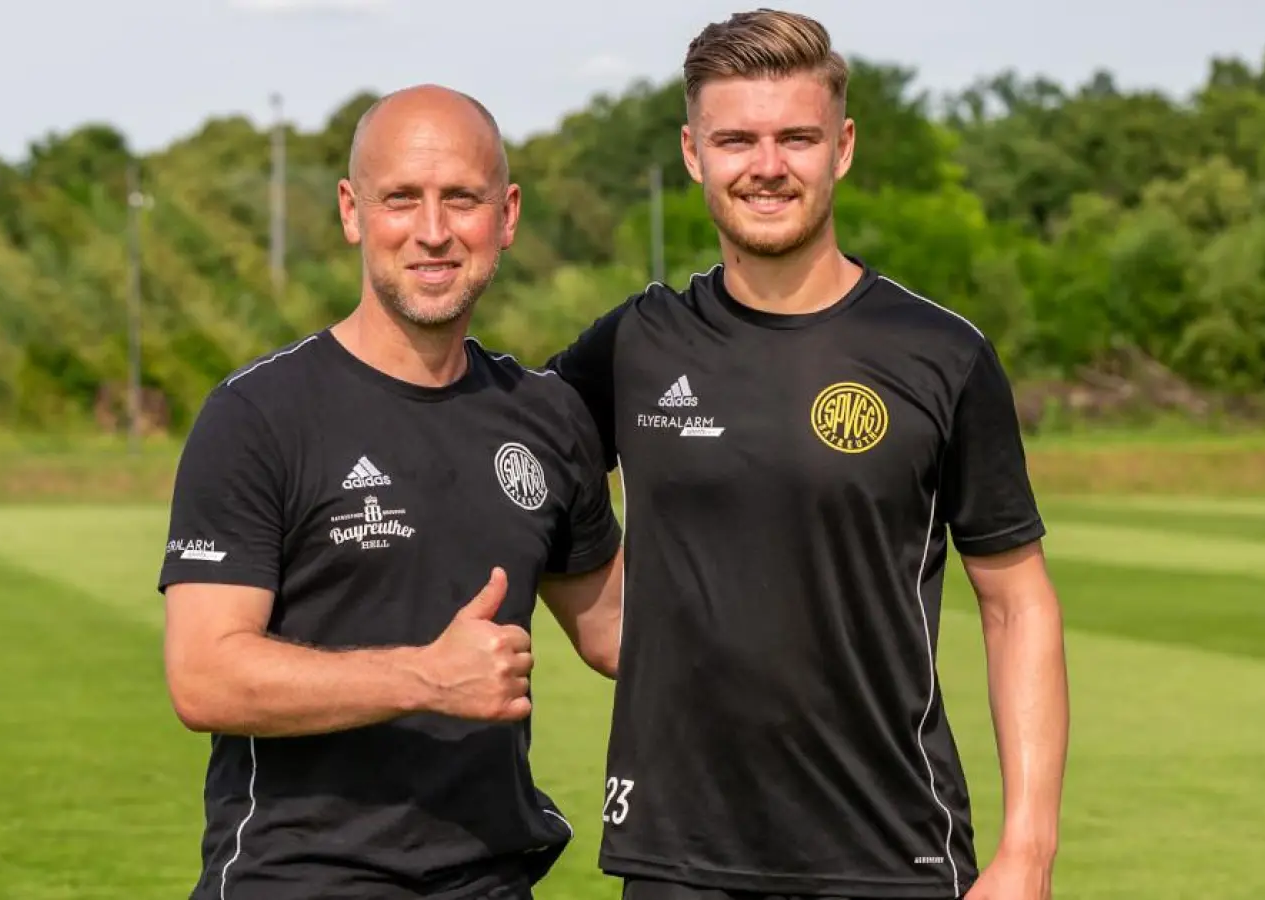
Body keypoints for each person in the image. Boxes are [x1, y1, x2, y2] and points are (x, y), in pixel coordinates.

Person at [547, 10, 1069, 900]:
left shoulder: (939, 353)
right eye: (736, 139)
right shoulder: (636, 345)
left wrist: (1028, 852)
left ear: (844, 146)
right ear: (691, 151)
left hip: (889, 850)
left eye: (796, 136)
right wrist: (602, 621)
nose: (767, 166)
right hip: (681, 860)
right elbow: (515, 471)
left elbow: (1017, 604)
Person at [157, 84, 625, 900]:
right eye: (401, 198)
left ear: (506, 215)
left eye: (462, 200)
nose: (434, 231)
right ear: (352, 210)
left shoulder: (544, 415)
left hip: (490, 879)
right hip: (299, 880)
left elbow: (619, 630)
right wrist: (427, 677)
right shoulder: (259, 415)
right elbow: (204, 677)